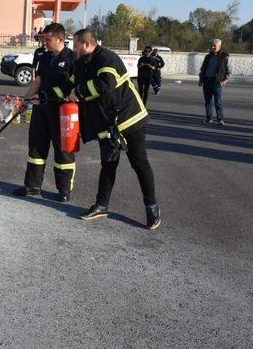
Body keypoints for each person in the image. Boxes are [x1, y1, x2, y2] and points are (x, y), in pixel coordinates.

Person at [62, 28, 160, 230]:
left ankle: (152, 207)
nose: (73, 48)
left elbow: (105, 84)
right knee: (108, 164)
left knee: (139, 163)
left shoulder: (107, 58)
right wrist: (49, 96)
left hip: (129, 118)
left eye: (76, 44)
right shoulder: (80, 64)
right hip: (107, 124)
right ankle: (101, 205)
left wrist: (78, 92)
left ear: (87, 44)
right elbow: (68, 86)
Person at [13, 23, 78, 202]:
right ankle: (32, 186)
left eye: (48, 39)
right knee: (36, 148)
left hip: (61, 113)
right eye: (43, 39)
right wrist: (25, 99)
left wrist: (49, 97)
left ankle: (64, 191)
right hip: (41, 111)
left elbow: (73, 89)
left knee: (63, 152)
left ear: (60, 39)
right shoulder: (45, 57)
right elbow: (38, 80)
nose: (45, 43)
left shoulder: (73, 59)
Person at [198, 39, 230, 125]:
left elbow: (228, 70)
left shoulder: (224, 56)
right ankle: (209, 118)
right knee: (208, 101)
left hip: (217, 82)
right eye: (212, 45)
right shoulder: (208, 56)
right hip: (207, 81)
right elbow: (203, 68)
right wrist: (201, 80)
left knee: (218, 101)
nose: (212, 47)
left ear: (219, 46)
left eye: (214, 46)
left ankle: (220, 119)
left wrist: (224, 81)